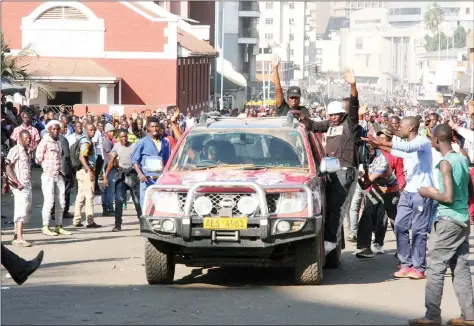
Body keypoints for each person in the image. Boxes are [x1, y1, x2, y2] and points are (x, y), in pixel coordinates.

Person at [409, 124, 474, 326]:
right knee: (460, 267)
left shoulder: (445, 163)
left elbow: (447, 196)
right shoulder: (462, 158)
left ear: (437, 140)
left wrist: (428, 192)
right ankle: (470, 315)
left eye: (431, 139)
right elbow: (469, 191)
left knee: (436, 268)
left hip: (448, 220)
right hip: (462, 218)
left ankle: (431, 316)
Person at [299, 68, 360, 255]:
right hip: (330, 171)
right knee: (325, 205)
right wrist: (302, 117)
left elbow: (355, 107)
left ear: (342, 114)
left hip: (344, 170)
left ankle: (330, 241)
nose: (333, 118)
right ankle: (327, 238)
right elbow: (314, 126)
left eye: (335, 115)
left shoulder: (349, 125)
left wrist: (353, 86)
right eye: (330, 115)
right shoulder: (330, 125)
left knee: (336, 207)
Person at [364, 116, 433, 279]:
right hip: (408, 192)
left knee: (418, 231)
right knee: (400, 226)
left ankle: (418, 267)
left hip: (422, 192)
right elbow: (396, 151)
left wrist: (381, 142)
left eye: (401, 126)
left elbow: (407, 148)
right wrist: (377, 144)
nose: (398, 129)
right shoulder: (407, 145)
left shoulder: (422, 142)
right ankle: (405, 264)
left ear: (410, 128)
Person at [355, 134, 400, 258]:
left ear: (373, 151)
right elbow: (364, 185)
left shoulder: (382, 161)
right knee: (366, 215)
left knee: (394, 220)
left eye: (368, 152)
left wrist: (361, 174)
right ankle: (364, 248)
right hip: (375, 189)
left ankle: (403, 249)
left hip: (390, 192)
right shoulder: (364, 159)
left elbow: (369, 180)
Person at [36, 120, 72, 236]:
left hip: (58, 174)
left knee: (61, 201)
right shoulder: (44, 142)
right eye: (54, 129)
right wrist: (47, 168)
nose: (56, 131)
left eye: (57, 129)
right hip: (48, 175)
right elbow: (38, 158)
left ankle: (58, 226)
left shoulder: (58, 142)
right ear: (49, 130)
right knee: (49, 201)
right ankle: (45, 226)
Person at [131, 117, 171, 210]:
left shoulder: (165, 143)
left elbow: (167, 161)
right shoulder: (142, 142)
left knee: (160, 207)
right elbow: (134, 161)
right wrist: (140, 174)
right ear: (148, 128)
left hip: (160, 180)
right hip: (146, 180)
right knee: (146, 207)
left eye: (156, 126)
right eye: (152, 126)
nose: (154, 129)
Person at [105, 129, 141, 232]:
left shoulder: (134, 146)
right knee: (119, 200)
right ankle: (117, 224)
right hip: (121, 175)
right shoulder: (116, 146)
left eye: (125, 136)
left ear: (127, 136)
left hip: (132, 174)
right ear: (119, 138)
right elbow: (111, 162)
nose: (124, 139)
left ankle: (142, 223)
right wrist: (106, 176)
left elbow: (139, 160)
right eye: (122, 137)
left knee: (137, 201)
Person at [6, 130, 33, 246]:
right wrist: (17, 182)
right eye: (26, 138)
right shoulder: (15, 150)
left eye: (29, 138)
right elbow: (8, 167)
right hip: (19, 186)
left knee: (26, 209)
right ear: (20, 138)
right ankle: (19, 239)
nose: (28, 140)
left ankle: (16, 234)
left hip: (27, 184)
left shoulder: (27, 151)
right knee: (21, 210)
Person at [73, 123, 101, 229]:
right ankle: (90, 221)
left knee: (80, 196)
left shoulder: (85, 140)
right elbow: (81, 157)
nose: (93, 132)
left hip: (81, 171)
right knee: (89, 197)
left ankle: (77, 220)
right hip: (85, 172)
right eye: (91, 130)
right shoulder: (86, 142)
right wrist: (89, 170)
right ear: (86, 130)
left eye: (94, 130)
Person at [271, 53, 309, 117]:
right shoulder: (283, 107)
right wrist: (275, 67)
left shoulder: (303, 110)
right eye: (292, 98)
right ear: (288, 98)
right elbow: (278, 90)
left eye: (296, 98)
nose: (294, 100)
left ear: (299, 99)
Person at [101, 123, 116, 216]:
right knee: (110, 189)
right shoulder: (107, 143)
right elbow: (111, 158)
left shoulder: (111, 142)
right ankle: (109, 209)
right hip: (109, 166)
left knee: (107, 189)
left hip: (109, 166)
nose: (112, 133)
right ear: (106, 132)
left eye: (113, 131)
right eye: (110, 131)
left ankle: (106, 208)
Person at [92, 121, 105, 193]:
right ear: (97, 126)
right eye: (100, 126)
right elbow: (94, 142)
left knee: (97, 172)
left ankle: (96, 187)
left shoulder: (101, 133)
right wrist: (95, 153)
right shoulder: (97, 133)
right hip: (98, 155)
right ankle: (95, 188)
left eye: (102, 126)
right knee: (96, 173)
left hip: (101, 155)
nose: (101, 127)